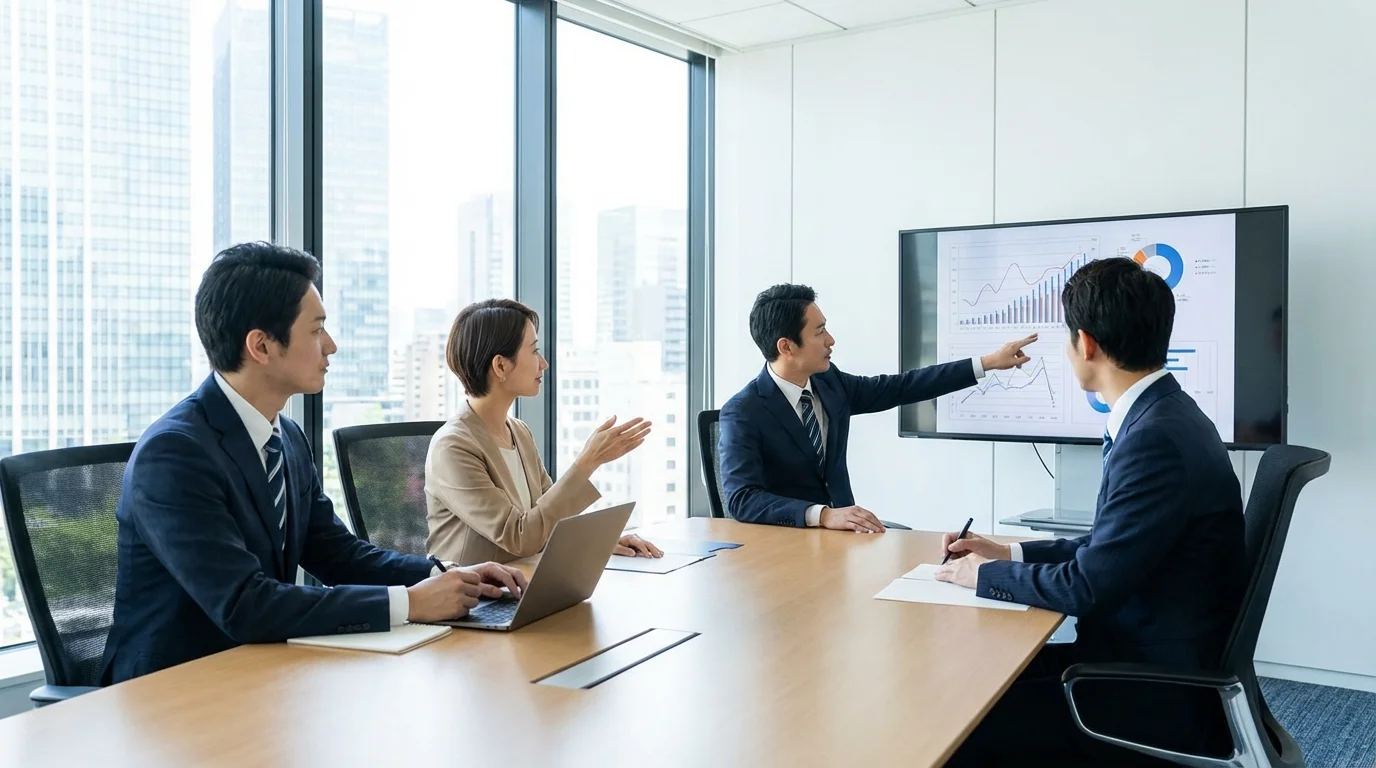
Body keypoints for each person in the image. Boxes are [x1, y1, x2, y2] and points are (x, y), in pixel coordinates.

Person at [99, 242, 526, 685]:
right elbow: (245, 605)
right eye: (316, 330)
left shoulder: (285, 437)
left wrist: (449, 575)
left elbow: (337, 554)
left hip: (263, 674)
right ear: (261, 346)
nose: (331, 346)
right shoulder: (174, 454)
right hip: (173, 692)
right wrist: (410, 604)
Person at [936, 257, 1245, 765]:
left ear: (1087, 344)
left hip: (1143, 690)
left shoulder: (1154, 439)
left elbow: (1089, 586)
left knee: (956, 723)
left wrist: (983, 575)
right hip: (1141, 658)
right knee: (971, 683)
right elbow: (1110, 549)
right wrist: (1007, 551)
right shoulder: (1168, 414)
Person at [718, 283, 1035, 531]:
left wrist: (988, 362)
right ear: (786, 346)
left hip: (845, 540)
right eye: (819, 332)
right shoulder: (743, 412)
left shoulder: (831, 384)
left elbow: (902, 386)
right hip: (784, 550)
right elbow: (742, 500)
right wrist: (823, 515)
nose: (831, 340)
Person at [425, 299, 662, 566]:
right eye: (535, 351)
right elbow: (520, 536)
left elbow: (550, 520)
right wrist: (588, 462)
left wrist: (601, 541)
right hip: (478, 598)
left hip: (525, 583)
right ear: (501, 366)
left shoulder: (519, 431)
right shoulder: (453, 446)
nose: (544, 363)